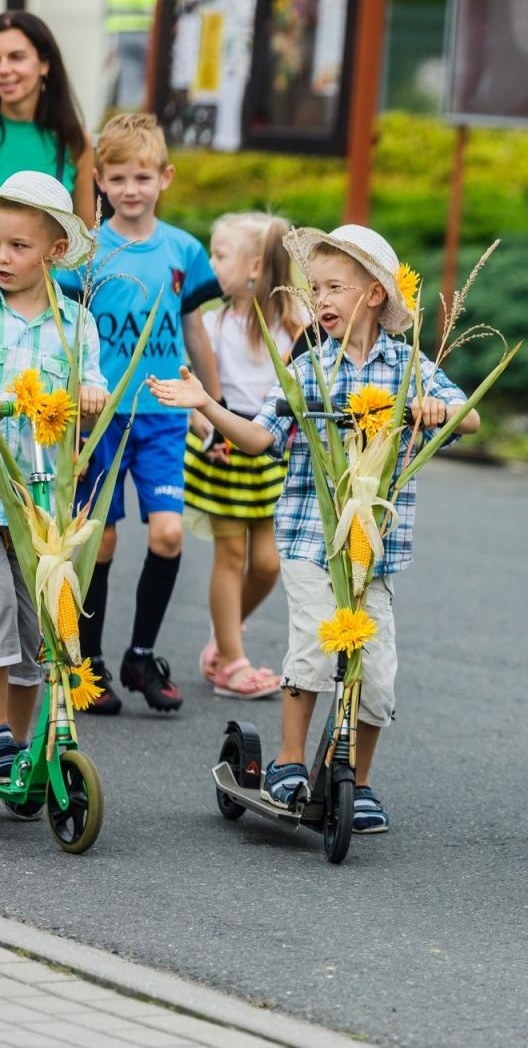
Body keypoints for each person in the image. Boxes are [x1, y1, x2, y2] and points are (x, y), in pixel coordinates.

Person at [150, 223, 478, 836]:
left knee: (377, 672)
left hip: (371, 551)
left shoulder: (409, 368)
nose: (321, 300)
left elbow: (472, 417)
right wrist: (205, 403)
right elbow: (257, 438)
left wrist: (438, 411)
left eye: (335, 288)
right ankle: (291, 761)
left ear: (376, 294)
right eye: (316, 289)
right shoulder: (308, 369)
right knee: (312, 648)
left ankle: (363, 779)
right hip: (308, 538)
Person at [56, 112, 220, 716]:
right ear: (99, 179)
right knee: (99, 541)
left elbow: (195, 329)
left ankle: (142, 655)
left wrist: (213, 404)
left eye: (142, 177)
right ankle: (90, 663)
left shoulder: (184, 250)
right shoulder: (86, 252)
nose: (130, 189)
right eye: (118, 177)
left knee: (169, 533)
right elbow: (67, 330)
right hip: (99, 413)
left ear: (165, 177)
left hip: (163, 413)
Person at [0, 171, 105, 781]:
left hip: (37, 506)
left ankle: (17, 746)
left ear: (55, 252)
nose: (2, 257)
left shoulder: (75, 324)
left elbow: (89, 381)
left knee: (31, 625)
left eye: (19, 246)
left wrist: (89, 395)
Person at [186, 212, 302, 699]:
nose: (209, 265)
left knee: (270, 564)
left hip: (273, 451)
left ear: (256, 267)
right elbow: (198, 392)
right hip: (224, 449)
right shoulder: (213, 324)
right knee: (231, 556)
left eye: (218, 255)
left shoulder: (296, 327)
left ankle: (224, 633)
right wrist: (205, 426)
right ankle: (232, 660)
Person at [0, 11, 94, 230]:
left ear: (44, 64)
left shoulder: (74, 141)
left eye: (16, 57)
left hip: (52, 266)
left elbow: (87, 248)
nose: (3, 69)